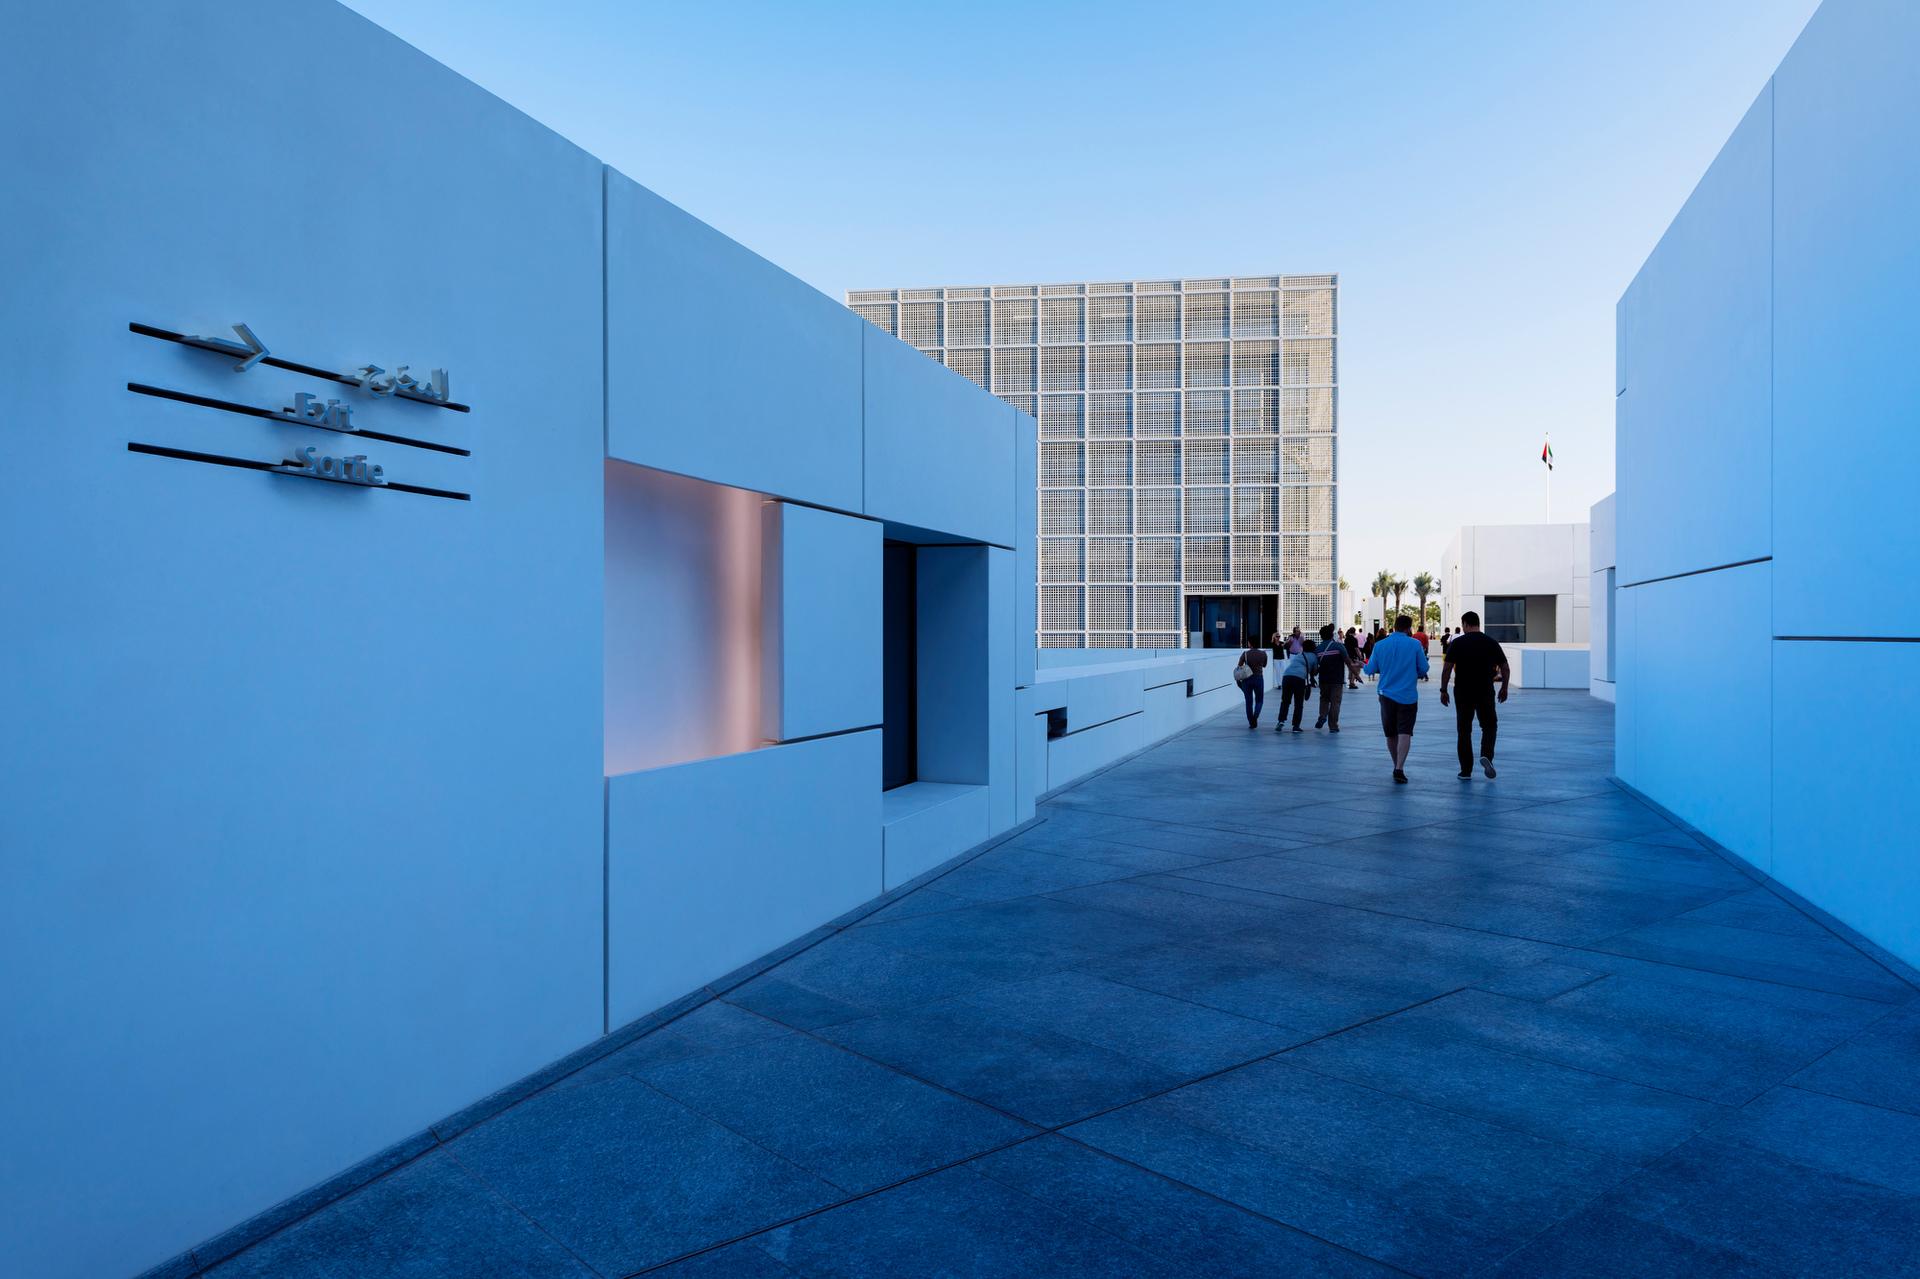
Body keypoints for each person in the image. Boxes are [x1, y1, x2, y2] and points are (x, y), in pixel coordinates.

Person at [1440, 609, 1510, 779]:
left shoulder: (1457, 643)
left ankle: (1465, 771)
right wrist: (1504, 688)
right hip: (1485, 690)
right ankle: (1486, 755)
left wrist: (1443, 690)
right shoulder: (1491, 642)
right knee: (1489, 725)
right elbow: (1505, 667)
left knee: (1464, 730)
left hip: (1463, 691)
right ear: (1478, 623)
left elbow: (1447, 668)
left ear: (1465, 624)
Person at [1362, 615, 1430, 783]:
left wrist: (1361, 664)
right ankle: (1399, 767)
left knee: (1390, 734)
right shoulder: (1415, 644)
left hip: (1386, 696)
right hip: (1408, 696)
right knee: (1405, 732)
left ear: (1394, 626)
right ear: (1408, 628)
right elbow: (1423, 669)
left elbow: (1370, 669)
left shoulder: (1380, 645)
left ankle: (1396, 765)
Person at [1313, 623, 1351, 730]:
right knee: (1335, 702)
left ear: (1321, 636)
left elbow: (1315, 668)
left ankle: (1322, 716)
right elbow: (1348, 662)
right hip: (1337, 680)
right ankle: (1333, 725)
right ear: (1332, 635)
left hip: (1323, 680)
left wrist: (1312, 677)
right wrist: (1356, 675)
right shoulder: (1339, 646)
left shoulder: (1318, 649)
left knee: (1324, 699)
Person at [1274, 641, 1313, 732]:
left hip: (1287, 676)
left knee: (1285, 701)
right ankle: (1296, 726)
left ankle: (1281, 721)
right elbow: (1314, 671)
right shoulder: (1313, 657)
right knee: (1298, 703)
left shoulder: (1299, 655)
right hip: (1299, 679)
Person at [1235, 641, 1268, 729]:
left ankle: (1251, 722)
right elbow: (1264, 665)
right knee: (1259, 700)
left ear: (1250, 644)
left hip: (1247, 679)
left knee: (1249, 702)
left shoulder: (1245, 654)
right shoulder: (1263, 654)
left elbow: (1239, 665)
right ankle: (1255, 717)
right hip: (1258, 678)